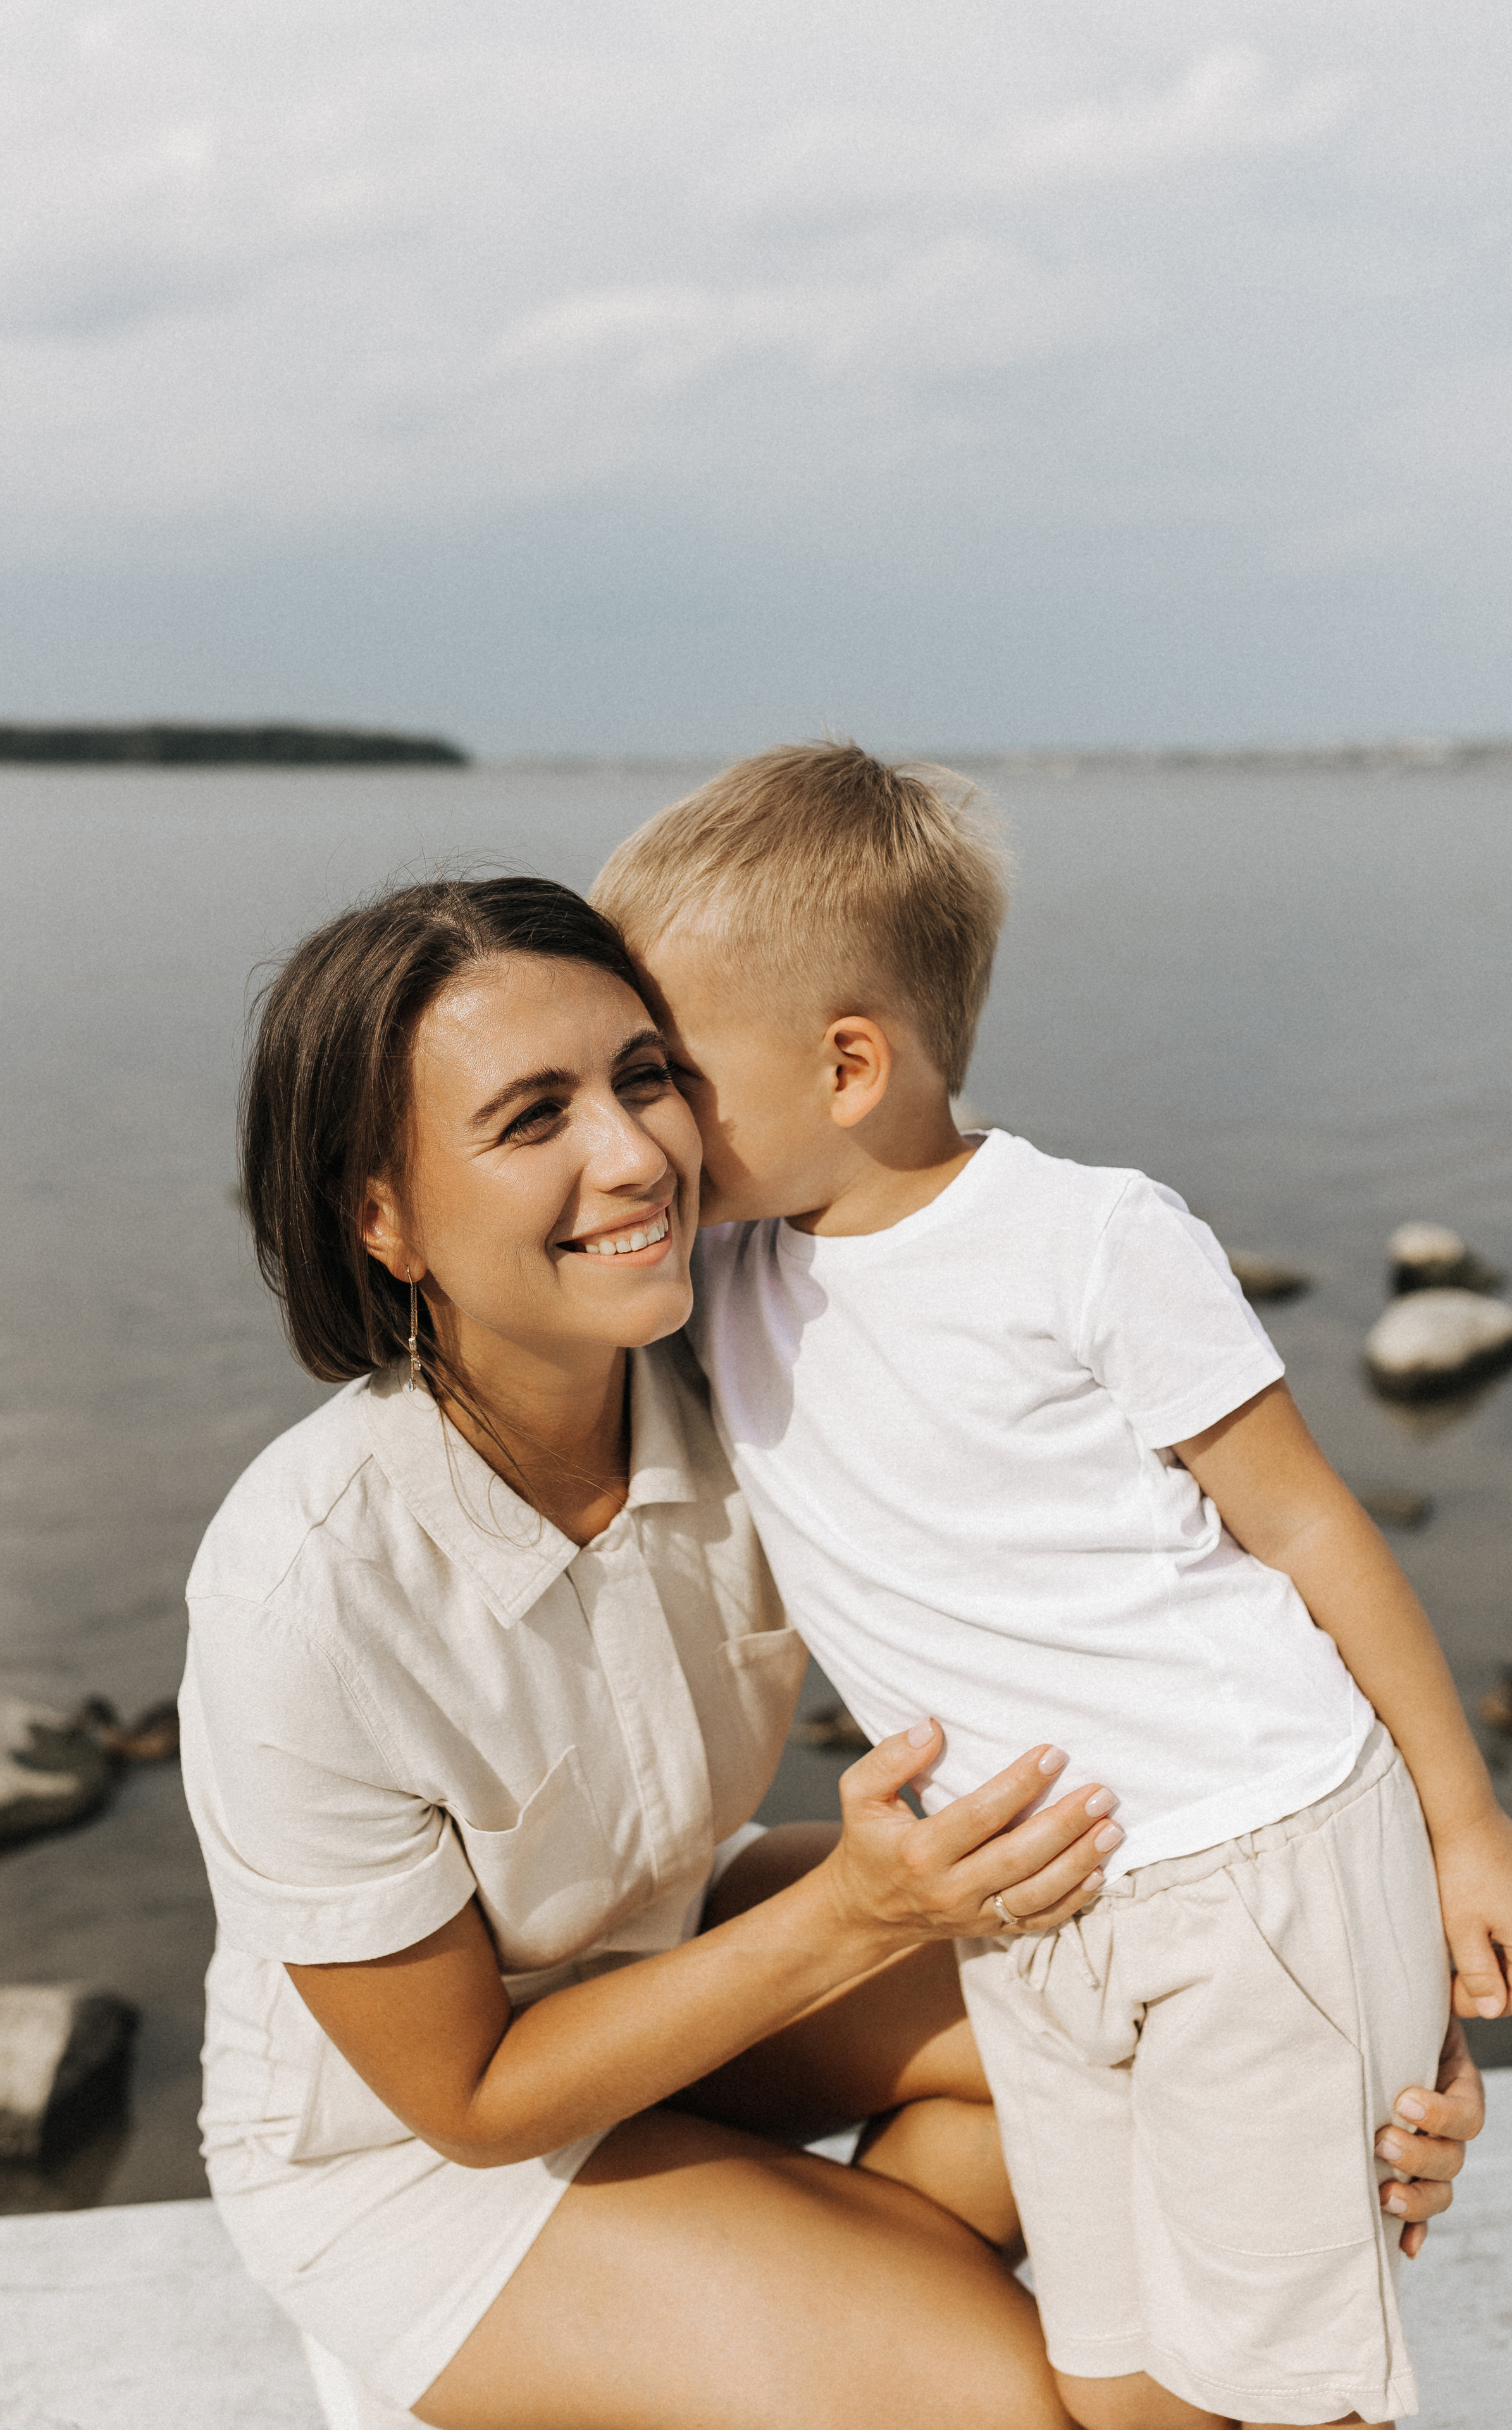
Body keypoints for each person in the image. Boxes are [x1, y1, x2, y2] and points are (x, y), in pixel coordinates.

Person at [592, 744, 1510, 2430]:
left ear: (848, 1060)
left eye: (667, 1072)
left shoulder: (1089, 1239)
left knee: (1295, 2388)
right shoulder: (728, 1273)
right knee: (1113, 2385)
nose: (638, 1126)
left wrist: (1460, 1828)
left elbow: (1310, 1529)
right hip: (1032, 1915)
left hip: (1255, 1866)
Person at [180, 875, 1137, 2430]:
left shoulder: (772, 1361)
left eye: (644, 1078)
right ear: (383, 1216)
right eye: (529, 1118)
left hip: (675, 1951)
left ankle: (762, 2313)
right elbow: (473, 2100)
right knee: (1003, 2405)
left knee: (1171, 2060)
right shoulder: (302, 1590)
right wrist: (850, 1910)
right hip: (414, 2155)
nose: (636, 1156)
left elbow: (1157, 1602)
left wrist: (1387, 2025)